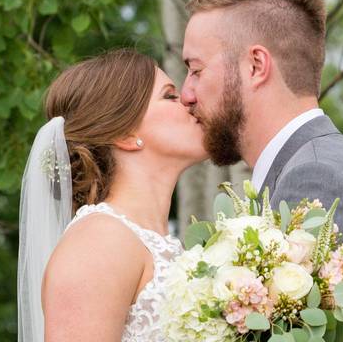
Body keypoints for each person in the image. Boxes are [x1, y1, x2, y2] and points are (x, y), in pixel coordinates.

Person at [180, 0, 343, 341]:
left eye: (196, 70)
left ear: (255, 66)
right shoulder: (314, 164)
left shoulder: (315, 177)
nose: (187, 94)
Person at [17, 49, 207, 342]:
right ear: (126, 135)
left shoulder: (153, 241)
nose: (189, 100)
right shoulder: (98, 243)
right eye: (169, 96)